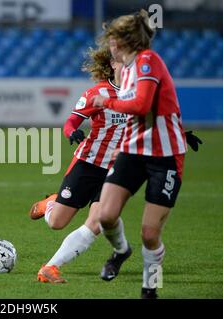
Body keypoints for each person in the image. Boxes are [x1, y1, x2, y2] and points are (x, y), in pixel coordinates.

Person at [91, 10, 202, 299]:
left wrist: (107, 101)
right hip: (132, 151)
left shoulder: (148, 61)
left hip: (165, 157)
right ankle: (121, 251)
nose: (109, 44)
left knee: (150, 234)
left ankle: (150, 288)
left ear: (123, 40)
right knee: (106, 215)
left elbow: (141, 105)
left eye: (113, 38)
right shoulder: (124, 68)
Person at [29, 45, 131, 283]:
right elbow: (71, 121)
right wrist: (71, 132)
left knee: (96, 222)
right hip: (87, 164)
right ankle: (50, 203)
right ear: (112, 65)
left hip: (117, 171)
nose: (126, 65)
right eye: (120, 61)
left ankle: (50, 268)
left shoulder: (140, 96)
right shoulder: (99, 92)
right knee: (57, 223)